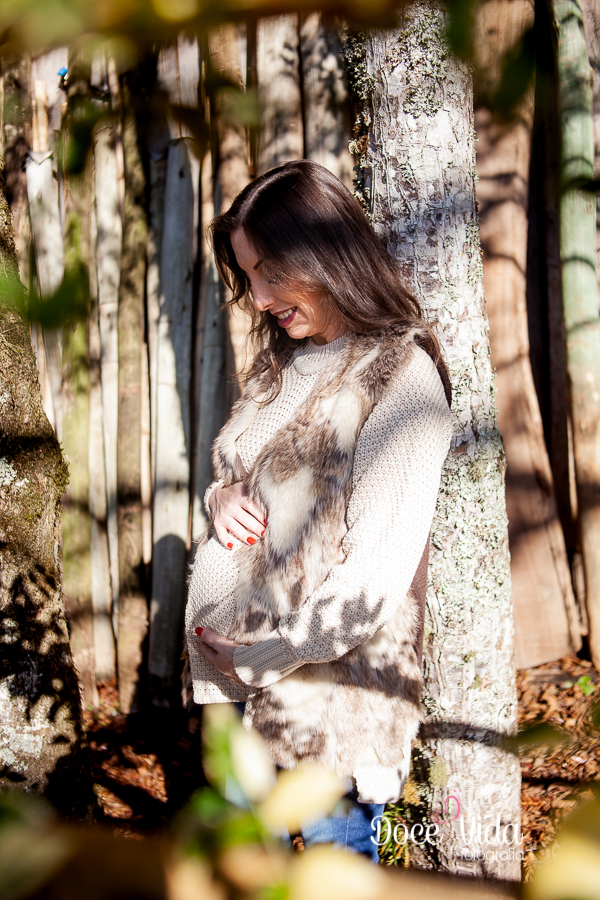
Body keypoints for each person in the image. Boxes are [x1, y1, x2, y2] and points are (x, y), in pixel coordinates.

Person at [184, 159, 453, 862]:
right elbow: (242, 473)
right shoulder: (282, 360)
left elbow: (373, 577)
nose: (261, 296)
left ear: (326, 254)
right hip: (249, 694)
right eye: (249, 277)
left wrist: (264, 658)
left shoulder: (402, 377)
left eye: (273, 271)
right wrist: (222, 496)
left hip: (332, 712)